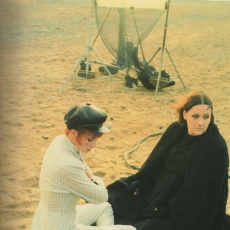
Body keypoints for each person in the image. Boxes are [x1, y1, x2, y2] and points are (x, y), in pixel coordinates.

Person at [107, 90, 230, 230]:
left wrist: (166, 209)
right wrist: (140, 184)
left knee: (149, 226)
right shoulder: (176, 130)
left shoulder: (215, 146)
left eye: (206, 117)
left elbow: (202, 195)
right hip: (156, 192)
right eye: (195, 116)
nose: (201, 123)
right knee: (116, 196)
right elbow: (154, 164)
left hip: (183, 204)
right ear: (185, 114)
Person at [31, 103, 136, 230]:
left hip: (49, 216)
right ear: (73, 134)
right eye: (90, 140)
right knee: (131, 229)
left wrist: (87, 173)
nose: (95, 145)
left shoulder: (60, 141)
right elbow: (101, 196)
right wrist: (96, 179)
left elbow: (82, 165)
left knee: (105, 208)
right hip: (62, 226)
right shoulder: (68, 165)